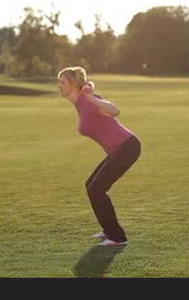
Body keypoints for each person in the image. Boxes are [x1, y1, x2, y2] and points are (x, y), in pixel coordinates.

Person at [57, 66, 141, 246]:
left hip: (127, 147)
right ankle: (108, 230)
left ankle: (117, 237)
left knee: (97, 189)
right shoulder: (80, 104)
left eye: (62, 82)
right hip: (118, 150)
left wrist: (91, 97)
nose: (59, 85)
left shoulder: (87, 100)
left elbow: (115, 110)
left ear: (73, 84)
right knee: (91, 186)